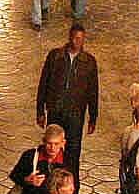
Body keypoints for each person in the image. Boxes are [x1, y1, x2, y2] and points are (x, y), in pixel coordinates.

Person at [38, 24, 101, 175]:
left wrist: (93, 117)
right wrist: (40, 110)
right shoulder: (55, 57)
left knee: (73, 152)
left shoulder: (89, 62)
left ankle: (71, 182)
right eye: (74, 38)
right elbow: (44, 83)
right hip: (55, 110)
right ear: (69, 37)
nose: (77, 41)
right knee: (52, 149)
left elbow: (93, 91)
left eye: (80, 39)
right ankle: (51, 178)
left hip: (75, 114)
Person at [13, 125, 71, 194]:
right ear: (43, 141)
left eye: (56, 144)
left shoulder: (68, 160)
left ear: (63, 143)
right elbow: (14, 175)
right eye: (49, 143)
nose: (52, 148)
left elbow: (73, 186)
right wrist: (27, 180)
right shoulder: (30, 156)